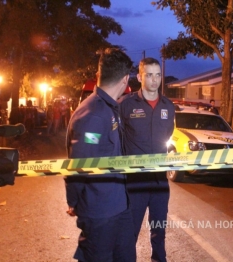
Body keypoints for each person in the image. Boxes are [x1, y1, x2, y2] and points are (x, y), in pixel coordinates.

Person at [65, 48, 136, 262]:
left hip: (119, 206)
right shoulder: (93, 115)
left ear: (99, 74)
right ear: (125, 79)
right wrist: (74, 200)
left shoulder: (110, 108)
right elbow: (79, 165)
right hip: (99, 212)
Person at [119, 57, 175, 262]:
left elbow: (168, 134)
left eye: (158, 75)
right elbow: (117, 139)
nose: (154, 80)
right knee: (129, 234)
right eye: (149, 75)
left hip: (160, 182)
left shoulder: (168, 106)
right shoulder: (125, 105)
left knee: (159, 232)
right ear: (139, 76)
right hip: (134, 182)